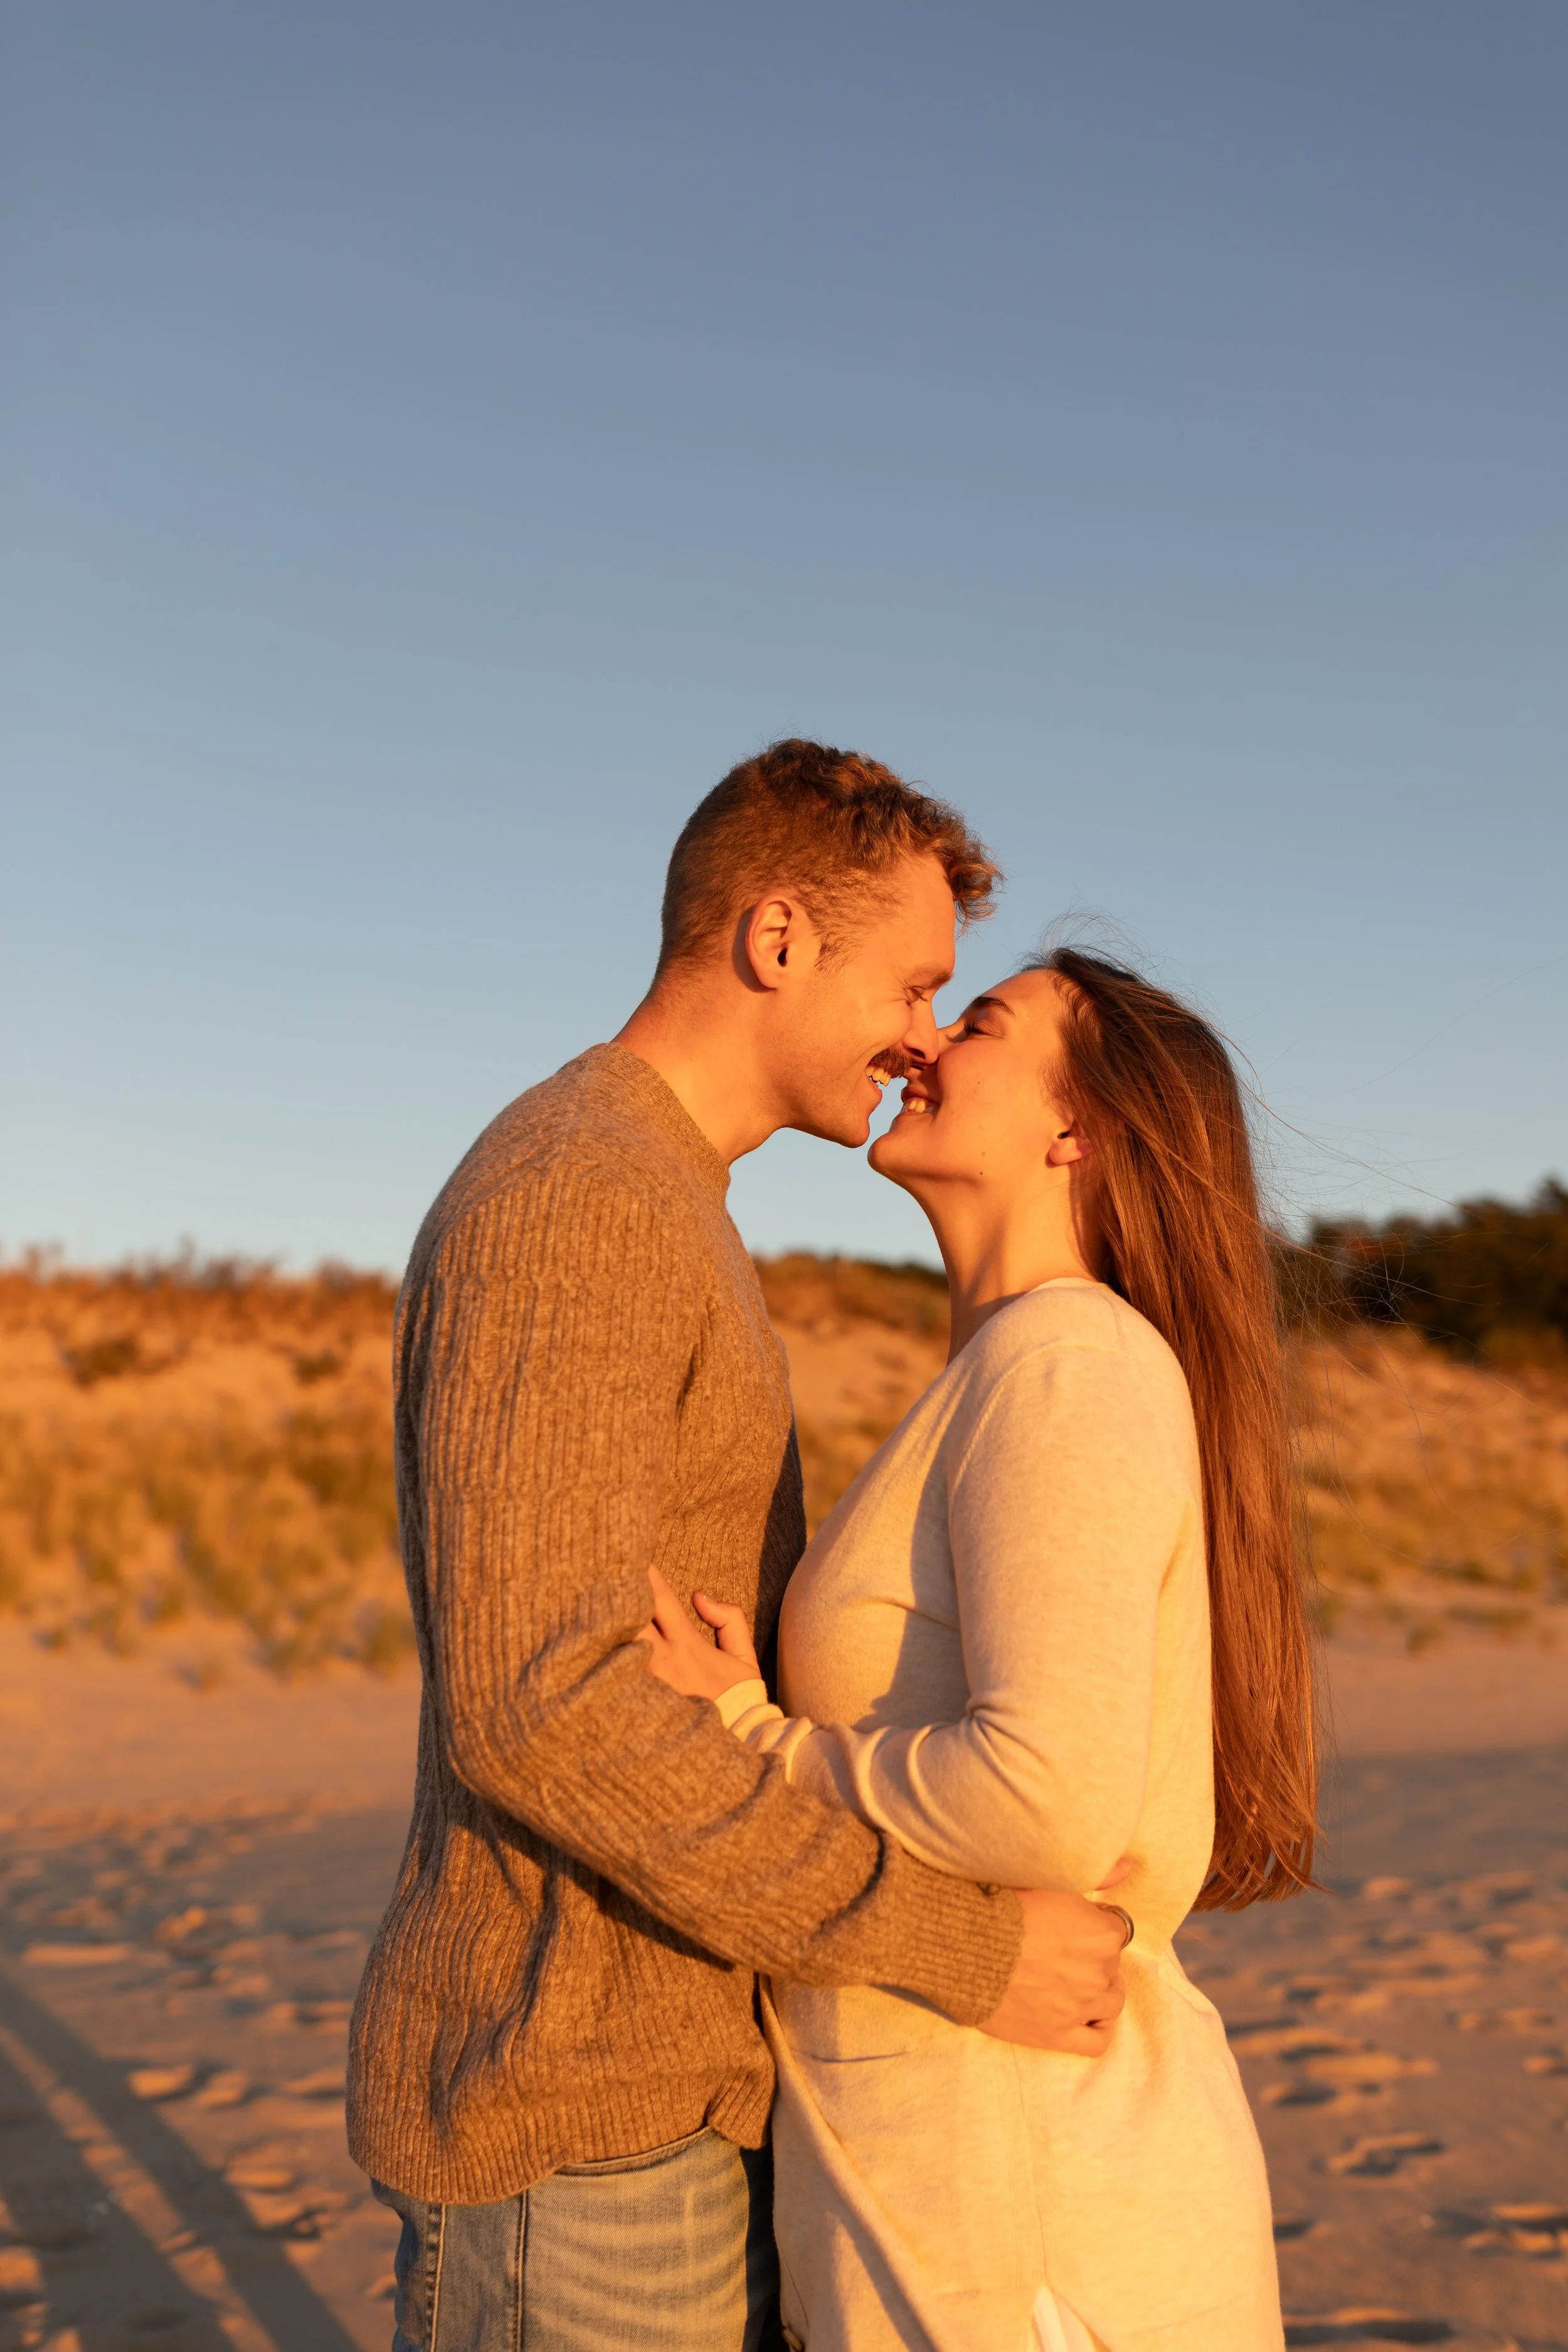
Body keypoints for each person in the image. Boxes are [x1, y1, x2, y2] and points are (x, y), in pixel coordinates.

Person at [347, 745, 1133, 2352]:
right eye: (915, 982)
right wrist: (958, 1951)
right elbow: (543, 1705)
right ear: (777, 941)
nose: (924, 1034)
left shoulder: (662, 1195)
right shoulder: (581, 1192)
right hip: (574, 2119)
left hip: (666, 2096)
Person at [644, 946, 1319, 2352]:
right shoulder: (1010, 1369)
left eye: (982, 1022)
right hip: (973, 2188)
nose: (926, 1040)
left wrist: (756, 1748)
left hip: (1035, 2223)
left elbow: (1045, 1796)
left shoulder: (1064, 1366)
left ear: (1075, 1132)